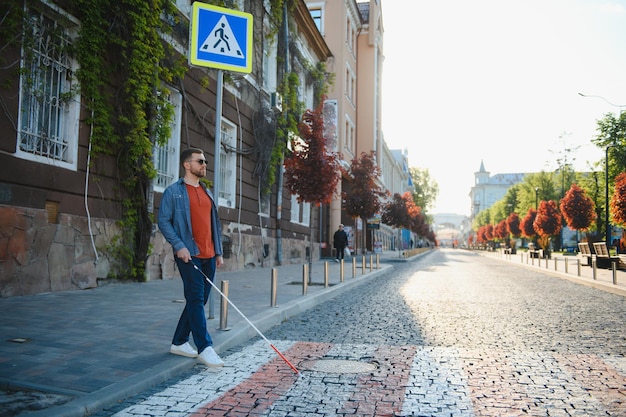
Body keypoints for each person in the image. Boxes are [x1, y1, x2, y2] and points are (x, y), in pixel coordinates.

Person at [158, 148, 224, 367]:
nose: (204, 164)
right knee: (195, 297)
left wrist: (218, 251)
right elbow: (164, 221)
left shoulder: (207, 192)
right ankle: (205, 347)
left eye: (205, 161)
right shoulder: (173, 192)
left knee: (200, 299)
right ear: (187, 165)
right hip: (189, 254)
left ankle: (179, 341)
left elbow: (214, 224)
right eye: (200, 161)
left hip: (209, 254)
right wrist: (179, 246)